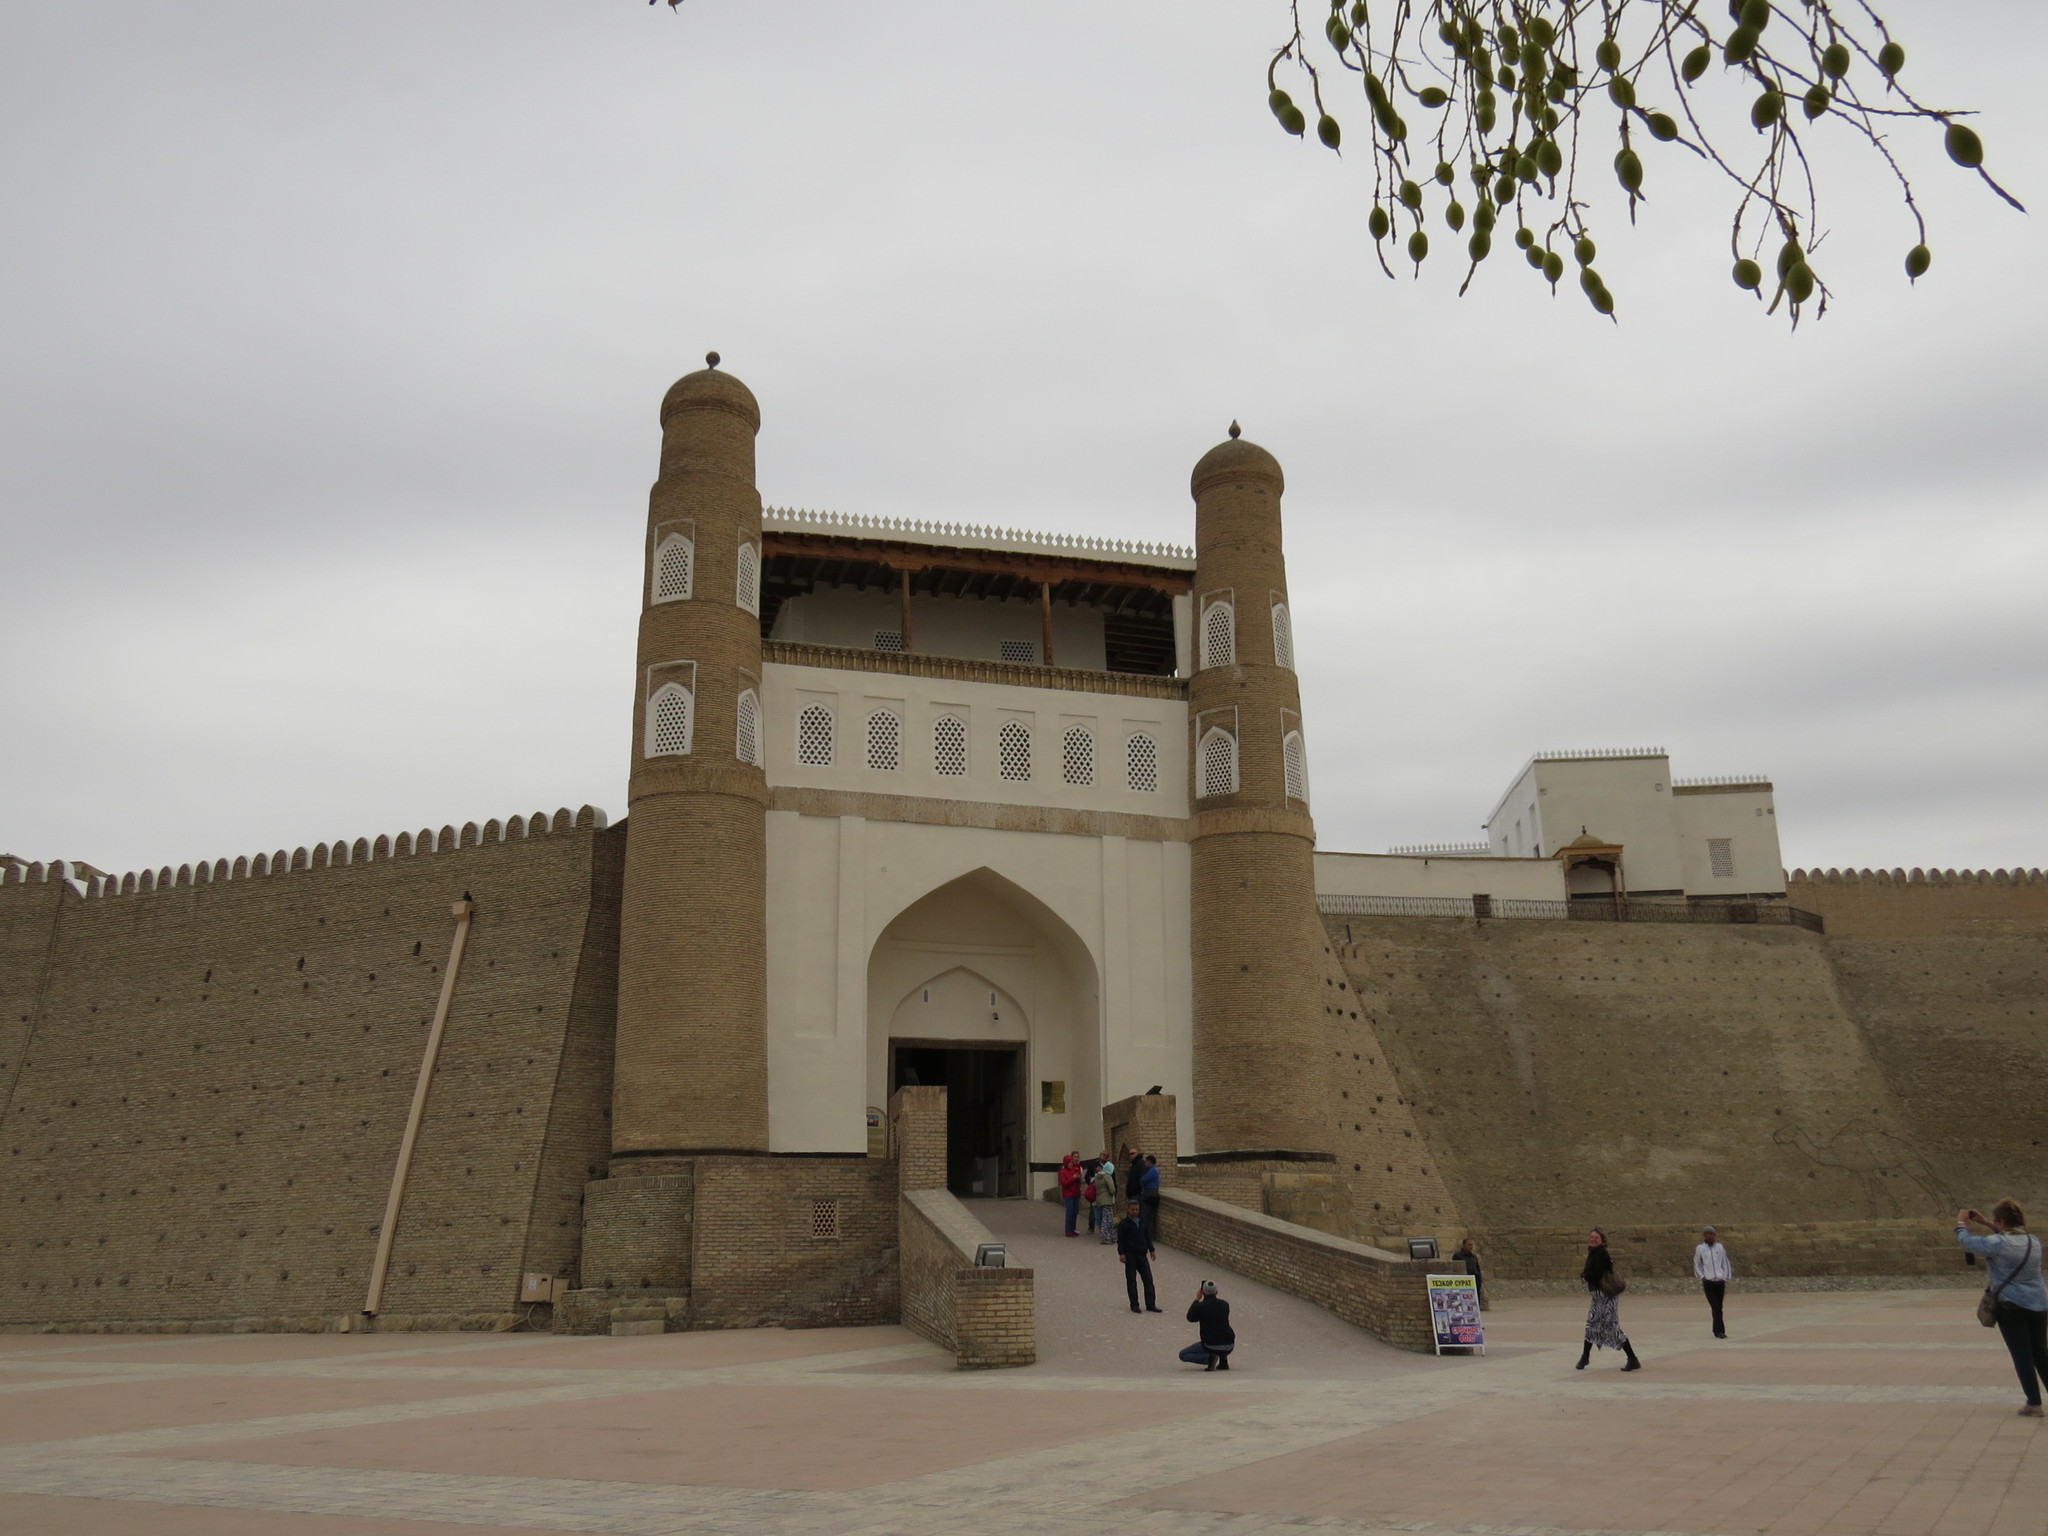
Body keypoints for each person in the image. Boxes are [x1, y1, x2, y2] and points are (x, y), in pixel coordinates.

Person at [1957, 1201, 2047, 1417]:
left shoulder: (1997, 1243)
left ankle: (2034, 1403)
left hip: (2011, 1305)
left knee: (2021, 1354)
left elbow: (1967, 1242)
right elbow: (2008, 1236)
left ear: (2002, 1221)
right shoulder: (2033, 1241)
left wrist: (1962, 1223)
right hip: (2039, 1303)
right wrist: (1987, 1222)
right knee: (2041, 1354)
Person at [1577, 1228, 1642, 1372]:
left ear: (1602, 1240)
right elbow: (1590, 1271)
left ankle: (1633, 1359)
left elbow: (1598, 1272)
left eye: (1596, 1238)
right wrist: (1585, 1274)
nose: (1593, 1239)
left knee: (1611, 1328)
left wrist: (1586, 1277)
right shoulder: (1593, 1252)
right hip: (1597, 1296)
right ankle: (1585, 1357)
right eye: (1592, 1237)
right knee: (1591, 1325)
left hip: (1606, 1296)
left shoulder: (1601, 1253)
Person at [1179, 1278, 1236, 1370]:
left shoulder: (1200, 1306)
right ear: (1216, 1291)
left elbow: (1190, 1318)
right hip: (1229, 1344)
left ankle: (1210, 1358)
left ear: (1203, 1292)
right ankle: (1223, 1362)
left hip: (1211, 1345)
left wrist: (1197, 1299)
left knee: (1183, 1355)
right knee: (1221, 1333)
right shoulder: (1225, 1304)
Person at [1117, 1198, 1161, 1314]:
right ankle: (1134, 1304)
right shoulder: (1124, 1224)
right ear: (1128, 1210)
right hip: (1130, 1255)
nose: (1135, 1211)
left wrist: (1151, 1250)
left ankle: (1151, 1304)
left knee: (1148, 1280)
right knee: (1132, 1281)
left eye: (1136, 1209)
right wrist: (1121, 1253)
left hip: (1142, 1255)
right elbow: (1120, 1240)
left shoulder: (1142, 1222)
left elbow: (1147, 1237)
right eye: (1132, 1209)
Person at [1694, 1225, 1733, 1338]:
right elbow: (1697, 1263)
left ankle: (1717, 1330)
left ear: (1714, 1235)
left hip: (1719, 1281)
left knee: (1719, 1306)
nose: (1709, 1235)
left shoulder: (1719, 1248)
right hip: (1709, 1281)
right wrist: (1702, 1276)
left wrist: (1725, 1276)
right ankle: (1720, 1331)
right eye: (1707, 1233)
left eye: (1711, 1233)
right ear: (1704, 1235)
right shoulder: (1700, 1248)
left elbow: (1725, 1262)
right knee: (1715, 1306)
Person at [1089, 1151, 1119, 1243]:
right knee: (1107, 1219)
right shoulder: (1107, 1177)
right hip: (1107, 1200)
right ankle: (1105, 1237)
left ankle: (1111, 1236)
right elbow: (1112, 1189)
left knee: (1105, 1218)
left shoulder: (1098, 1176)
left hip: (1100, 1200)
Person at [1456, 1238, 1487, 1311]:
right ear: (1464, 1245)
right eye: (1469, 1245)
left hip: (1475, 1280)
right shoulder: (1458, 1255)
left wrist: (1479, 1278)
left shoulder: (1473, 1257)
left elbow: (1477, 1267)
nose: (1470, 1247)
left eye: (1472, 1245)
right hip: (1465, 1281)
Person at [1138, 1154, 1162, 1243]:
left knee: (1147, 1215)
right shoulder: (1155, 1170)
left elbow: (1143, 1179)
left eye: (1146, 1161)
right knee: (1148, 1215)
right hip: (1152, 1194)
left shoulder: (1152, 1171)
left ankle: (1146, 1235)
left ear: (1150, 1162)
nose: (1145, 1163)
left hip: (1149, 1195)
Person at [1058, 1152, 1083, 1238]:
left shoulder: (1074, 1170)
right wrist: (1073, 1178)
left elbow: (1078, 1180)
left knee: (1075, 1212)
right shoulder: (1062, 1172)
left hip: (1076, 1193)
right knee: (1070, 1212)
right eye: (1070, 1163)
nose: (1071, 1164)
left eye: (1072, 1163)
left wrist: (1078, 1178)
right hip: (1068, 1194)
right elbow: (1064, 1183)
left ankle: (1073, 1228)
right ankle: (1068, 1230)